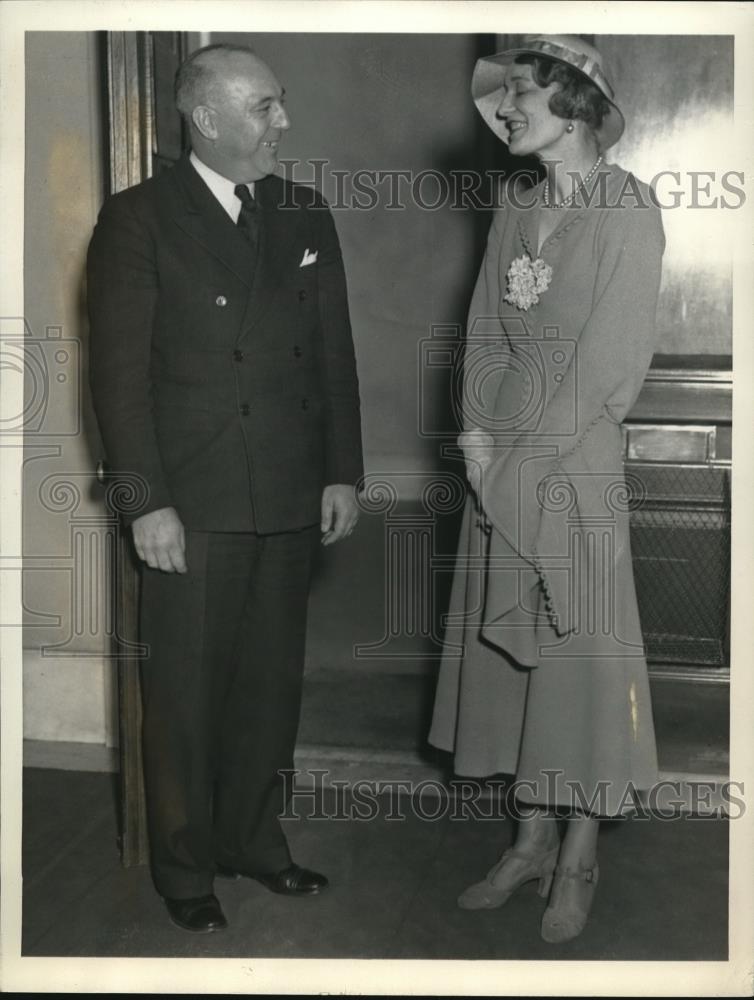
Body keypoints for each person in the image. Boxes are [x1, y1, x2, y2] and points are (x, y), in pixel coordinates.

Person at [87, 43, 363, 933]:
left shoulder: (304, 211)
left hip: (288, 491)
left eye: (280, 103)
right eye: (264, 106)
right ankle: (184, 867)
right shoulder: (139, 219)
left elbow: (333, 357)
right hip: (193, 501)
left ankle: (253, 840)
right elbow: (117, 379)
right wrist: (145, 501)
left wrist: (342, 471)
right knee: (185, 696)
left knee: (269, 687)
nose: (284, 121)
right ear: (205, 119)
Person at [429, 35, 665, 944]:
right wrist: (477, 437)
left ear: (573, 103)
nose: (504, 109)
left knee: (579, 665)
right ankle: (527, 842)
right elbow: (484, 331)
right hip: (500, 461)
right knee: (509, 666)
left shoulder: (627, 208)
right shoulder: (513, 204)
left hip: (573, 466)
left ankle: (578, 856)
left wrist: (520, 462)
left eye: (521, 92)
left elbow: (611, 365)